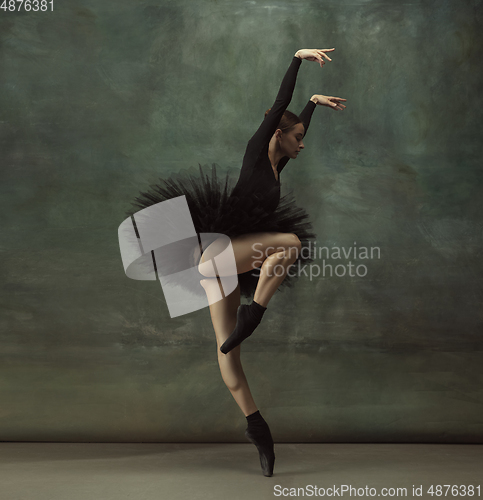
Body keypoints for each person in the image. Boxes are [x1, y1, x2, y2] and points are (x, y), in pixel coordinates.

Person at [123, 48, 346, 477]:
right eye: (298, 138)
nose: (303, 143)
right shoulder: (257, 150)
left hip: (222, 268)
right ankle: (255, 311)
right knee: (293, 242)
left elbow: (292, 121)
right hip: (218, 254)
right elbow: (280, 110)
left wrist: (314, 106)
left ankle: (256, 426)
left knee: (228, 350)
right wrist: (297, 61)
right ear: (276, 136)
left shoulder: (279, 165)